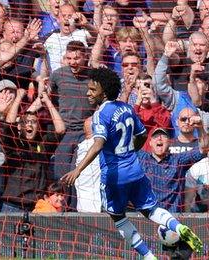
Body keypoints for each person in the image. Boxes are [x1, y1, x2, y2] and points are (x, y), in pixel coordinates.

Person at [61, 67, 204, 259]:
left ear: (103, 91)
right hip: (135, 170)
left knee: (118, 218)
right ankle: (179, 227)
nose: (88, 93)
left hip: (114, 177)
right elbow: (142, 134)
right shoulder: (126, 108)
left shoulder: (100, 115)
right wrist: (131, 151)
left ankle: (148, 257)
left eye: (92, 89)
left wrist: (77, 170)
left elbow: (97, 144)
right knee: (150, 209)